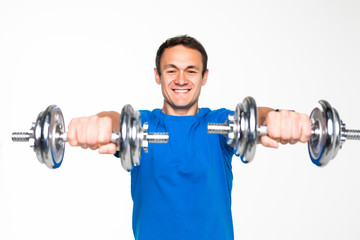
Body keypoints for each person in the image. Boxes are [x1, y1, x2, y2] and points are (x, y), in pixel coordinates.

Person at [67, 35, 311, 240]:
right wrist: (99, 123)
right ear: (157, 75)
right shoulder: (140, 124)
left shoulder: (219, 124)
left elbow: (254, 117)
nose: (181, 80)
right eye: (171, 70)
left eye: (190, 71)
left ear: (204, 77)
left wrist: (276, 118)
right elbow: (116, 119)